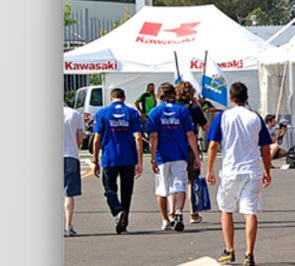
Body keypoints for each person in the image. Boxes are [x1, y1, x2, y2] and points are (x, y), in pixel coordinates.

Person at [202, 81, 274, 266]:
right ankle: (249, 253)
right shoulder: (255, 117)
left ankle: (230, 249)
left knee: (226, 210)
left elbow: (213, 145)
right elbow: (265, 148)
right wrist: (267, 170)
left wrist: (209, 169)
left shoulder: (223, 117)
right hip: (252, 170)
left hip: (231, 170)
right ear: (247, 98)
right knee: (250, 212)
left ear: (231, 98)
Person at [89, 87, 146, 234]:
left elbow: (97, 139)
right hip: (128, 157)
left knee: (109, 189)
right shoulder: (132, 113)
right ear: (124, 98)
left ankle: (117, 211)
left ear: (111, 98)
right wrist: (140, 161)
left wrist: (95, 160)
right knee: (127, 191)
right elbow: (138, 137)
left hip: (110, 157)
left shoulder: (102, 113)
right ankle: (124, 222)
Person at [143, 82, 199, 232]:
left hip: (162, 155)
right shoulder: (182, 111)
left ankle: (165, 219)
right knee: (179, 184)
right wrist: (196, 155)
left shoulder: (155, 112)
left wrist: (153, 157)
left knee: (162, 188)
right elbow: (190, 134)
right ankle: (179, 212)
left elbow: (153, 137)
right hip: (179, 153)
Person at [176, 80, 210, 226]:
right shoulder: (193, 108)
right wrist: (198, 106)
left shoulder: (174, 107)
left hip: (174, 146)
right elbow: (206, 126)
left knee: (175, 181)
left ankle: (173, 212)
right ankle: (193, 212)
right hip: (190, 146)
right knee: (192, 180)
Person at [62, 96, 87, 237]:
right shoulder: (75, 114)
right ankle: (68, 225)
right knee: (68, 193)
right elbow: (80, 139)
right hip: (70, 155)